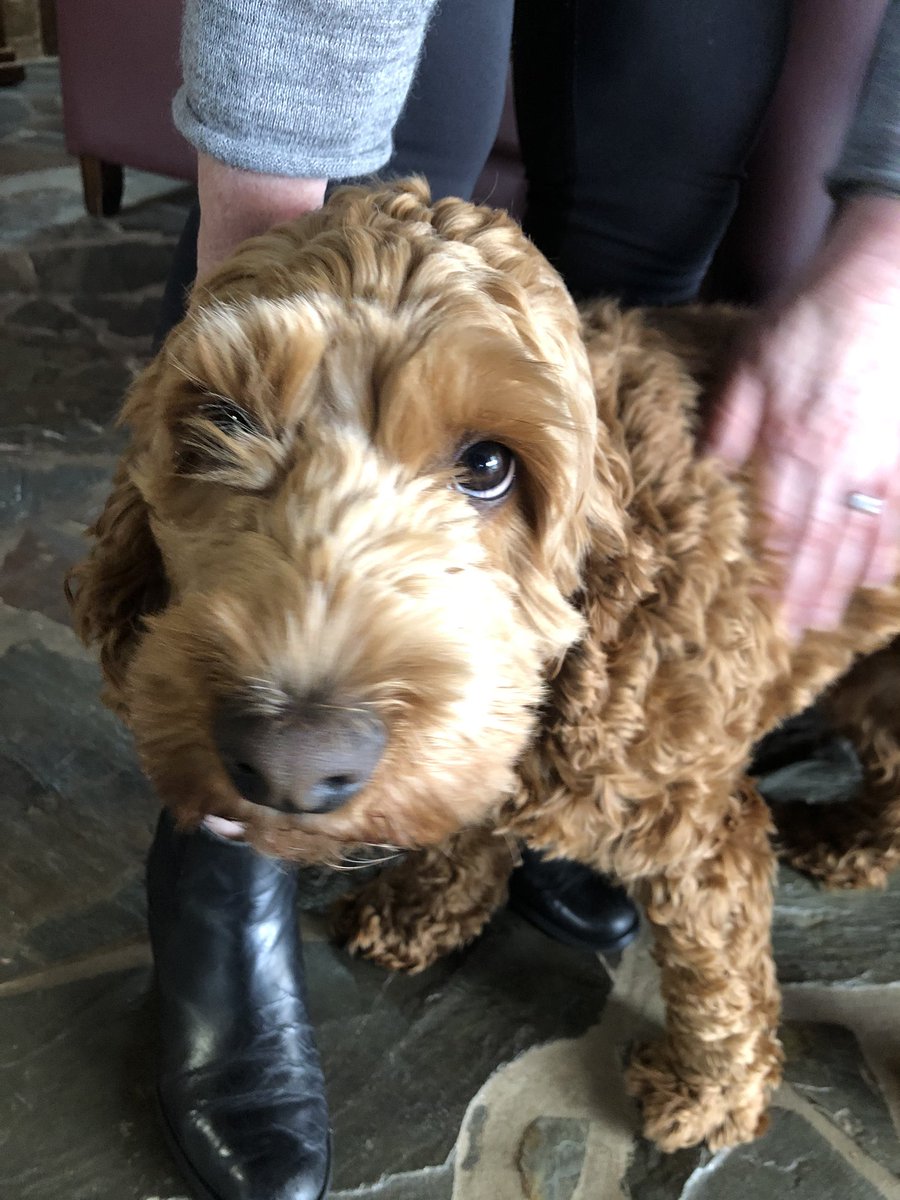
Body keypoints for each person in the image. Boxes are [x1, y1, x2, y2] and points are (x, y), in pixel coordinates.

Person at [146, 3, 900, 1198]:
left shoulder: (630, 670)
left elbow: (716, 850)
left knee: (641, 213)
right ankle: (266, 868)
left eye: (484, 468)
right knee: (307, 294)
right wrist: (252, 237)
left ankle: (727, 1049)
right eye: (238, 430)